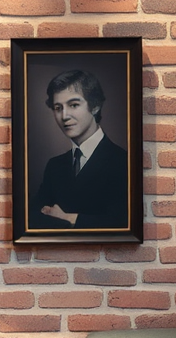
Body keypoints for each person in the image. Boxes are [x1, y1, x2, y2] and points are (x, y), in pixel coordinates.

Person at [28, 67, 129, 231]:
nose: (64, 116)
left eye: (74, 105)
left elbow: (124, 224)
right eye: (58, 108)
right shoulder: (54, 166)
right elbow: (32, 219)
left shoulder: (123, 162)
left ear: (95, 106)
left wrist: (68, 218)